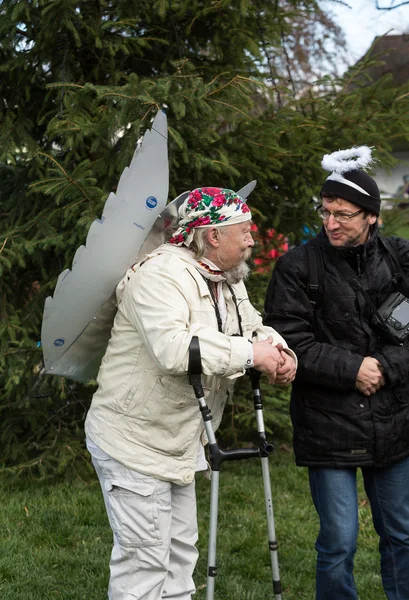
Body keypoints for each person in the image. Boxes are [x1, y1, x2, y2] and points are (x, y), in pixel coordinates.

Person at [85, 186, 297, 600]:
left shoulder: (225, 279)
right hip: (134, 441)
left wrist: (279, 350)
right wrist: (251, 355)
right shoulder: (159, 275)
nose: (253, 240)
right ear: (213, 236)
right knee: (144, 562)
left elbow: (250, 328)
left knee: (181, 555)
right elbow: (173, 349)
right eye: (244, 231)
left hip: (180, 441)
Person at [264, 146, 409, 600]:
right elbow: (290, 340)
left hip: (394, 421)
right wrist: (353, 370)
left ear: (371, 216)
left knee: (403, 536)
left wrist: (384, 367)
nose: (331, 223)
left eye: (343, 214)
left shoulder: (401, 259)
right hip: (327, 422)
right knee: (339, 543)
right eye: (325, 212)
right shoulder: (297, 266)